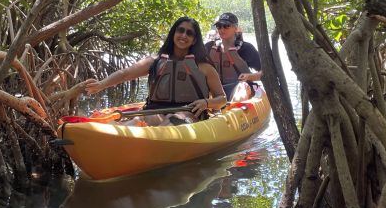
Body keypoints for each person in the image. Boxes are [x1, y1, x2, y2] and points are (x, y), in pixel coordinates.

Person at [83, 16, 226, 125]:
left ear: (194, 40)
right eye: (180, 30)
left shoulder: (204, 67)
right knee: (137, 121)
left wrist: (206, 103)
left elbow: (222, 99)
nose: (183, 35)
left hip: (188, 114)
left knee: (173, 119)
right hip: (154, 111)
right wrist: (101, 84)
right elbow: (125, 74)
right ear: (173, 34)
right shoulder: (154, 61)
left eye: (189, 33)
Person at [205, 12, 263, 101]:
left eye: (226, 26)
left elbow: (264, 73)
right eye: (219, 26)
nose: (222, 29)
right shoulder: (209, 47)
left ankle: (233, 107)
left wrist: (249, 76)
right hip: (217, 90)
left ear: (235, 28)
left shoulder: (246, 48)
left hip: (242, 87)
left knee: (242, 87)